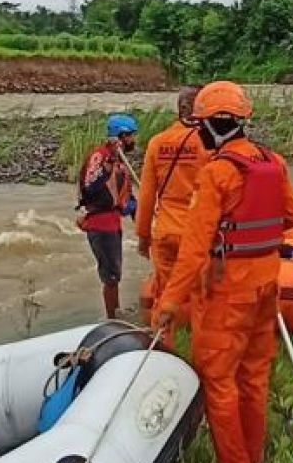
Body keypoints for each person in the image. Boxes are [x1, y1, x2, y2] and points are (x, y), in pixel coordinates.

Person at [155, 81, 293, 463]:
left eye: (200, 124)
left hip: (226, 295)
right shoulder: (274, 162)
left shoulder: (217, 173)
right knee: (254, 376)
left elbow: (194, 248)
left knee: (219, 381)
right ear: (241, 121)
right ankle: (252, 459)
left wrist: (169, 302)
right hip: (266, 287)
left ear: (210, 126)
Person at [135, 87, 208, 346]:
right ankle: (204, 360)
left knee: (164, 297)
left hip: (165, 231)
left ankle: (162, 352)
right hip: (198, 233)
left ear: (179, 109)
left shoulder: (157, 142)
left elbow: (146, 197)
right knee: (202, 300)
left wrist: (143, 237)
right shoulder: (209, 143)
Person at [76, 114, 138, 320]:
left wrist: (140, 221)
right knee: (111, 276)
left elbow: (126, 197)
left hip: (112, 222)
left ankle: (116, 312)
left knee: (115, 273)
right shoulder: (100, 157)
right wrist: (107, 165)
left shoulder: (119, 162)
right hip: (100, 223)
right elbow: (90, 186)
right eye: (130, 137)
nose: (134, 141)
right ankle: (113, 317)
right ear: (120, 136)